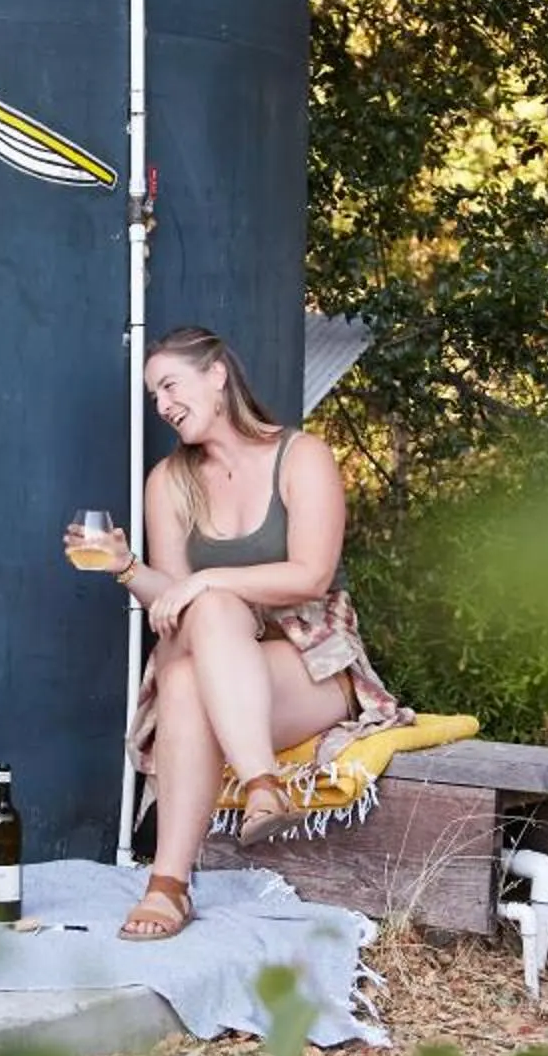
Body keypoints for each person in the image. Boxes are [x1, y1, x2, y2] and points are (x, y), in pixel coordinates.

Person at [70, 325, 413, 942]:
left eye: (170, 386)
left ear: (218, 376)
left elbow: (311, 575)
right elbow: (176, 602)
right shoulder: (169, 482)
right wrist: (126, 567)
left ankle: (173, 881)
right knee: (184, 666)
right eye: (154, 397)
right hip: (220, 665)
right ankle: (250, 800)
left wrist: (210, 581)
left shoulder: (301, 456)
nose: (164, 405)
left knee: (204, 623)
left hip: (310, 665)